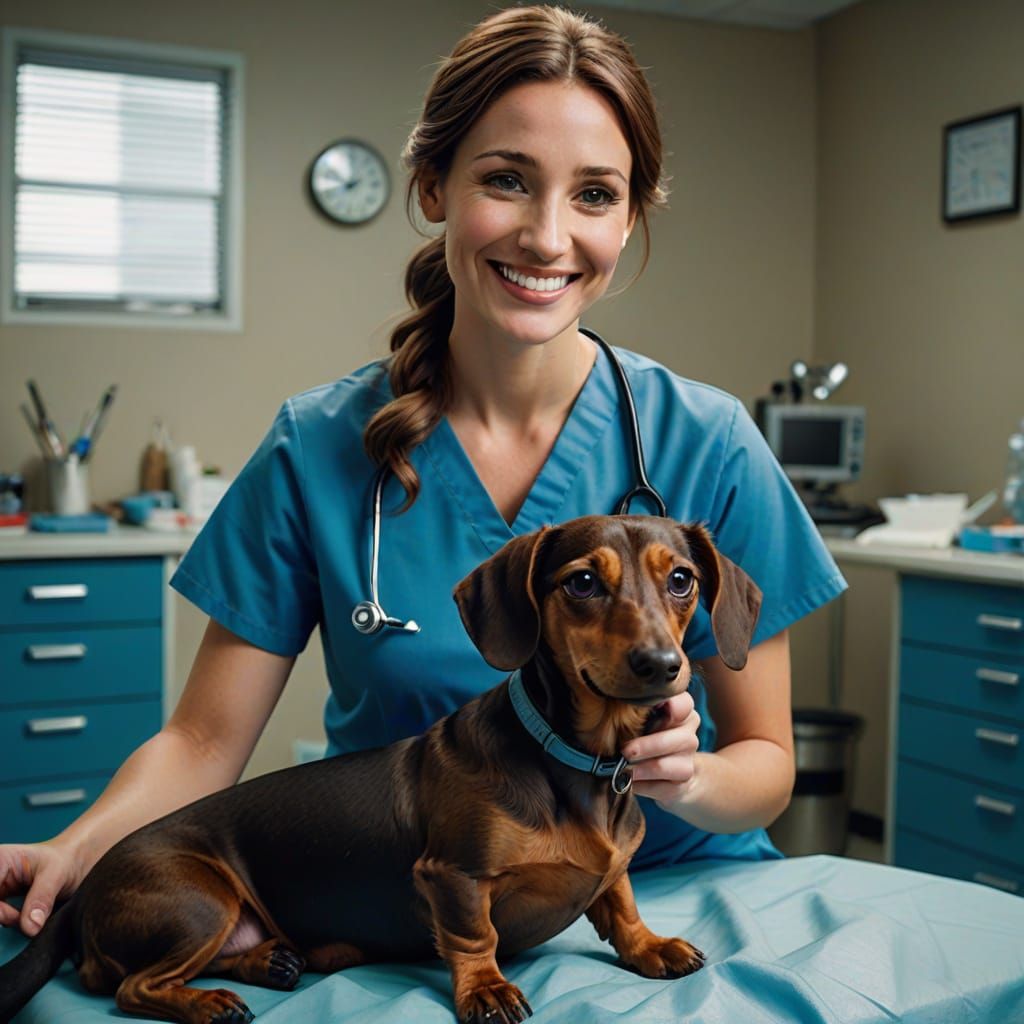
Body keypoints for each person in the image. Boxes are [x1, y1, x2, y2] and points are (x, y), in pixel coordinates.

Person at [0, 4, 845, 940]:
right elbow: (203, 742)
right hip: (420, 915)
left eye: (595, 195)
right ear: (434, 184)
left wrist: (693, 777)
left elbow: (768, 762)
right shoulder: (317, 446)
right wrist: (76, 849)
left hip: (667, 902)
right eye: (507, 181)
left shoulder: (710, 440)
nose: (547, 236)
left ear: (631, 215)